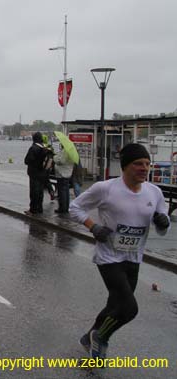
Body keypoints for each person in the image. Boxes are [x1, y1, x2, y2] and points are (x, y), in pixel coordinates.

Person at [70, 143, 170, 361]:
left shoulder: (155, 192)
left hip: (134, 258)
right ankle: (101, 338)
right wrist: (92, 226)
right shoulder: (105, 189)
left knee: (114, 306)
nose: (144, 168)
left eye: (147, 164)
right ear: (125, 166)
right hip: (109, 258)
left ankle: (88, 338)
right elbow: (75, 207)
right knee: (129, 308)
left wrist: (164, 222)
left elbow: (163, 228)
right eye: (138, 164)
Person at [24, 132, 48, 215]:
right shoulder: (45, 148)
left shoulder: (33, 148)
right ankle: (39, 208)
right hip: (43, 172)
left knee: (34, 192)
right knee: (40, 191)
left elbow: (27, 161)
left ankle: (33, 209)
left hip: (34, 173)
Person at [54, 144, 73, 214]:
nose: (60, 145)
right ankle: (66, 207)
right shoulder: (70, 151)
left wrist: (55, 157)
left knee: (62, 192)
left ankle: (62, 209)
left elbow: (61, 161)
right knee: (66, 192)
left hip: (62, 174)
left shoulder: (65, 151)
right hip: (67, 174)